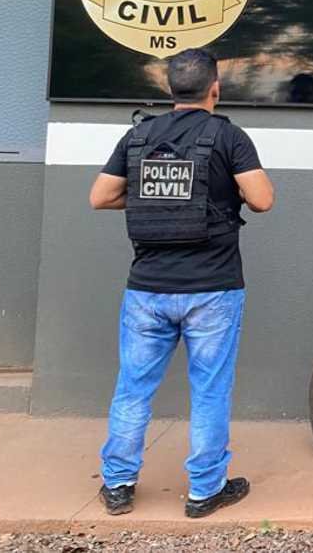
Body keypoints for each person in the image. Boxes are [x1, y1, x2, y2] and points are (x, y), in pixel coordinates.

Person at [88, 49, 275, 517]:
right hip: (213, 289)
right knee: (210, 391)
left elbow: (100, 197)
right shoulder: (228, 136)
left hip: (147, 289)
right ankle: (204, 491)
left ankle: (117, 485)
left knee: (133, 388)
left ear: (170, 89)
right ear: (215, 88)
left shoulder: (139, 135)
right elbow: (262, 200)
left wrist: (153, 199)